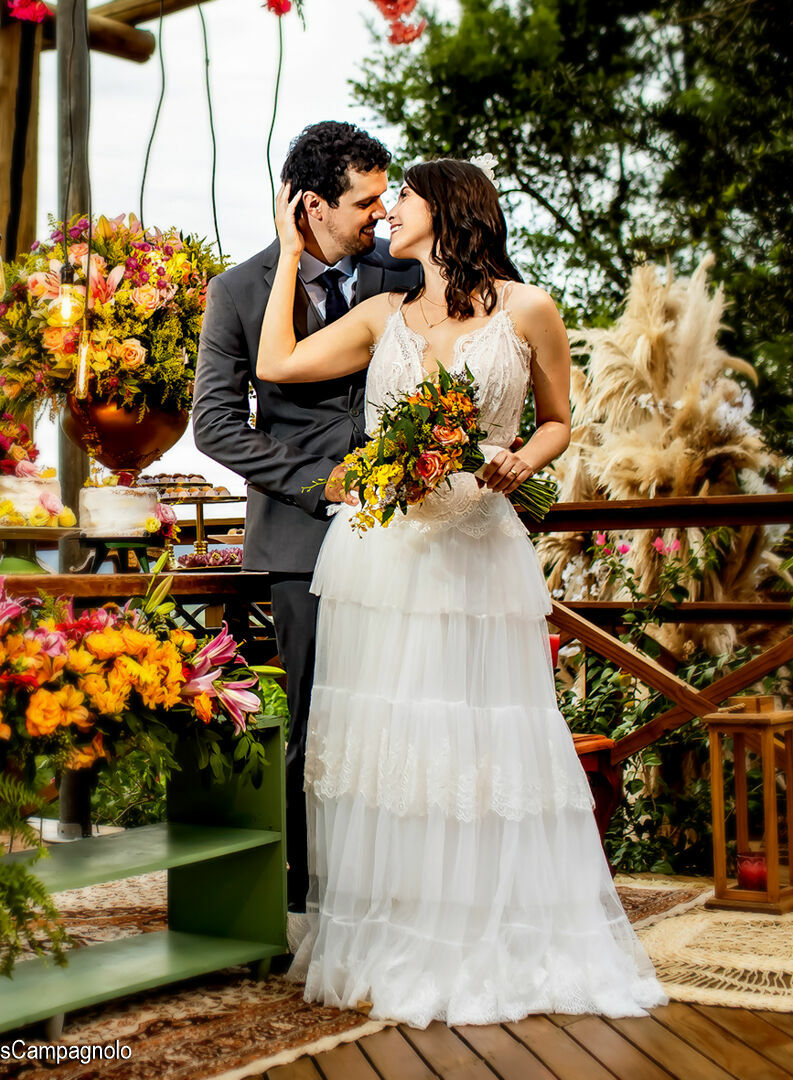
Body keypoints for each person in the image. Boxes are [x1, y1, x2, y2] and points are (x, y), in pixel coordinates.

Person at [256, 158, 667, 1026]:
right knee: (391, 744)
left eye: (399, 197)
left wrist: (526, 457)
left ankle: (483, 929)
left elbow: (558, 418)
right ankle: (396, 929)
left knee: (477, 745)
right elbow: (278, 362)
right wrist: (290, 251)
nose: (385, 213)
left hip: (478, 549)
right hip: (385, 555)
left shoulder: (529, 309)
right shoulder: (379, 316)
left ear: (445, 208)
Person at [192, 122, 421, 929]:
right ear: (309, 206)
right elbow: (216, 426)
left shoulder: (403, 271)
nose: (380, 213)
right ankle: (303, 895)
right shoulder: (239, 289)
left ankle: (391, 883)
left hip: (410, 533)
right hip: (300, 541)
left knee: (402, 708)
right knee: (319, 719)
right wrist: (325, 487)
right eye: (364, 200)